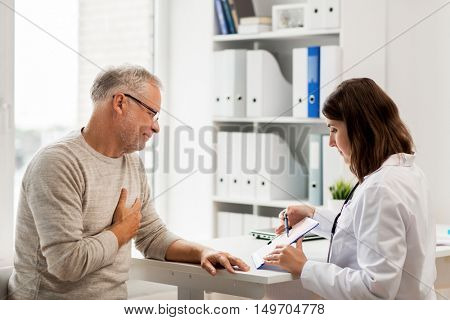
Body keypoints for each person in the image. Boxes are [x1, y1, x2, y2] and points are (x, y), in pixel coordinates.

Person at [8, 65, 249, 299]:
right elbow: (67, 263)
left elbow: (151, 236)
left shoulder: (132, 164)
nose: (156, 127)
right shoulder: (58, 163)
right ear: (120, 102)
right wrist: (120, 232)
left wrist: (204, 252)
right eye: (151, 113)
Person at [264, 78, 437, 299]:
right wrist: (313, 215)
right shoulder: (409, 172)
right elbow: (363, 228)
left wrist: (304, 267)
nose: (330, 142)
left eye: (334, 129)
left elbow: (375, 291)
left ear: (361, 130)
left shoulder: (380, 188)